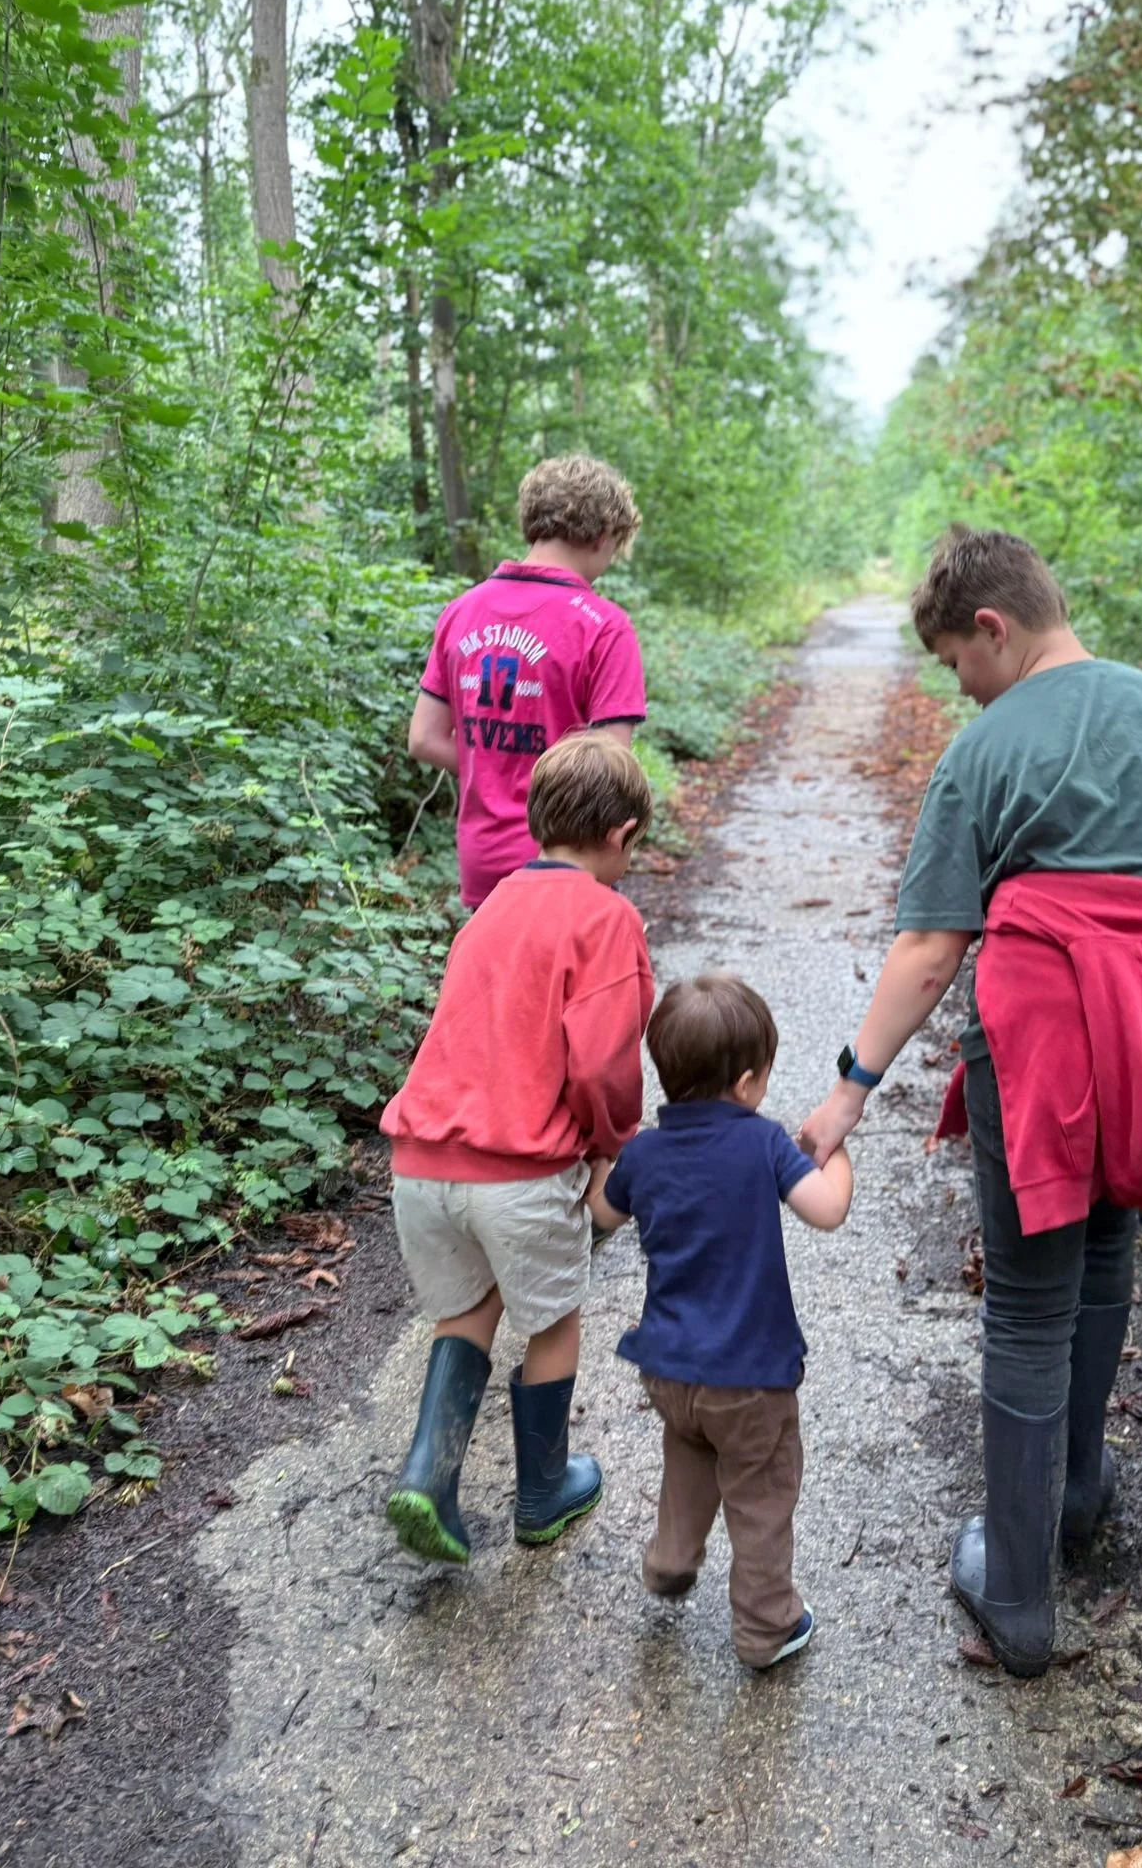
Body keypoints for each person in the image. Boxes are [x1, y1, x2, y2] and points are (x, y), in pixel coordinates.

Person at [800, 525, 1142, 1677]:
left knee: (1027, 1302)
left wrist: (848, 1091)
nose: (959, 685)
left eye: (953, 662)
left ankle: (1021, 1593)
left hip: (1045, 1036)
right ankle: (1077, 1495)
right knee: (1109, 1244)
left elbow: (934, 946)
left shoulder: (985, 752)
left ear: (994, 626)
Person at [380, 731, 656, 1564]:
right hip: (520, 1173)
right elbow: (605, 1059)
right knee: (552, 1323)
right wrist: (613, 1146)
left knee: (466, 1311)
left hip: (422, 1164)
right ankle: (542, 1491)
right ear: (622, 836)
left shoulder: (493, 905)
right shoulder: (606, 918)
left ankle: (429, 1475)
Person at [588, 974, 854, 1669]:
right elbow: (827, 1210)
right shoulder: (764, 1143)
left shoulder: (643, 1153)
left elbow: (601, 1217)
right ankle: (768, 1629)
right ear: (746, 1083)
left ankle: (670, 1559)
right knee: (762, 1497)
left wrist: (601, 1159)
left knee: (690, 1456)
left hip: (669, 1370)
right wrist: (836, 1153)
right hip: (752, 1376)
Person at [408, 455, 647, 910]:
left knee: (501, 979)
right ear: (601, 535)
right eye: (614, 546)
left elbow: (423, 738)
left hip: (482, 860)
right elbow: (610, 768)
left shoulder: (462, 612)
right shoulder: (603, 626)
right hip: (567, 861)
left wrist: (499, 766)